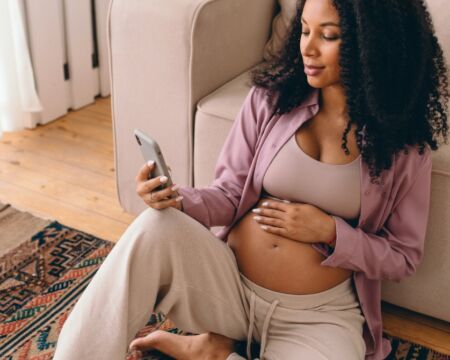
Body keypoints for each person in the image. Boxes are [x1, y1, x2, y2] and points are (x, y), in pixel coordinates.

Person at [53, 0, 449, 359]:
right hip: (228, 288)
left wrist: (331, 231)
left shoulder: (403, 150)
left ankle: (214, 352)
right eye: (305, 30)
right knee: (155, 227)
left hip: (316, 317)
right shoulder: (271, 101)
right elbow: (227, 194)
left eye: (328, 36)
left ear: (373, 44)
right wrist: (176, 199)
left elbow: (403, 257)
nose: (308, 48)